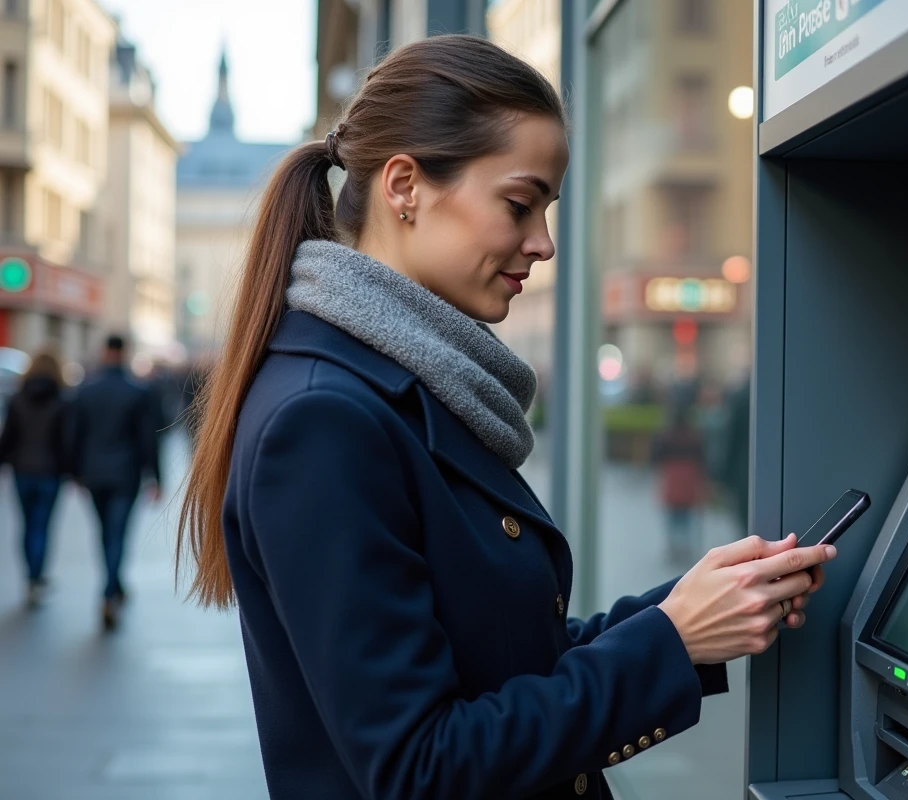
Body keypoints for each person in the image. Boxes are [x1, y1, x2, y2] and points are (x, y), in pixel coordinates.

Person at [176, 35, 837, 800]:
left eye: (547, 211)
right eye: (520, 205)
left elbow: (509, 660)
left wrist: (690, 607)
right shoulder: (325, 419)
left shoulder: (406, 382)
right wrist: (671, 640)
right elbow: (420, 767)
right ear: (405, 186)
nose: (544, 244)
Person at [71, 334, 161, 630]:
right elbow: (149, 439)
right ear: (124, 353)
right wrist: (156, 476)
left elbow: (76, 435)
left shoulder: (87, 390)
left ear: (104, 351)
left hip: (94, 472)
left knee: (104, 532)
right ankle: (110, 592)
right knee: (118, 532)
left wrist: (75, 472)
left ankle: (113, 586)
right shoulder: (138, 391)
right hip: (126, 473)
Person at [0, 352, 71, 607]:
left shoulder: (17, 399)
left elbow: (8, 437)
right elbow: (66, 442)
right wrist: (70, 470)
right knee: (42, 526)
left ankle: (30, 576)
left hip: (22, 471)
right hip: (49, 473)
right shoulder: (61, 400)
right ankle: (36, 577)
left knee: (27, 525)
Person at [651, 403, 708, 564]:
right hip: (690, 476)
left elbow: (656, 457)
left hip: (672, 476)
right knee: (687, 514)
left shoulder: (665, 435)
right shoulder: (694, 436)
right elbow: (703, 458)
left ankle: (673, 546)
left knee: (672, 514)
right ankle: (685, 545)